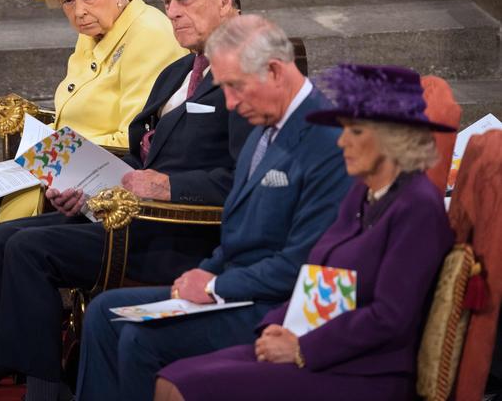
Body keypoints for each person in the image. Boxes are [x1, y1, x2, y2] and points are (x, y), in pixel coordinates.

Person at [0, 0, 254, 399]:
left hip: (179, 231)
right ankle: (38, 372)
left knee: (28, 248)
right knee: (2, 239)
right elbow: (145, 155)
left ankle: (46, 391)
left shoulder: (248, 70)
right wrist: (84, 187)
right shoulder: (180, 70)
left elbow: (249, 178)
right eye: (168, 2)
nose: (174, 13)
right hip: (130, 211)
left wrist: (168, 185)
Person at [0, 0, 186, 386]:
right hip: (64, 159)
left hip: (102, 175)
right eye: (68, 1)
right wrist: (39, 131)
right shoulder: (97, 32)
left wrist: (51, 151)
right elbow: (76, 107)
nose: (78, 11)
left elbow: (136, 132)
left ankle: (0, 352)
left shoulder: (149, 33)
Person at [76, 15, 353, 401]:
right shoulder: (262, 125)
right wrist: (202, 274)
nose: (231, 103)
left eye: (235, 87)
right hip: (235, 289)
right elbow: (237, 234)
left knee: (140, 337)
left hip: (276, 307)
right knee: (104, 313)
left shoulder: (327, 142)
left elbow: (303, 263)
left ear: (274, 71)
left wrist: (214, 285)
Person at [155, 63, 457, 401]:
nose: (341, 141)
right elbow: (315, 272)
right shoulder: (363, 192)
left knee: (188, 387)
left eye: (354, 132)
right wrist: (277, 326)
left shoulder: (418, 207)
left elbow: (389, 317)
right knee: (172, 378)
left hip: (364, 372)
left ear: (392, 138)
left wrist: (302, 348)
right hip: (315, 345)